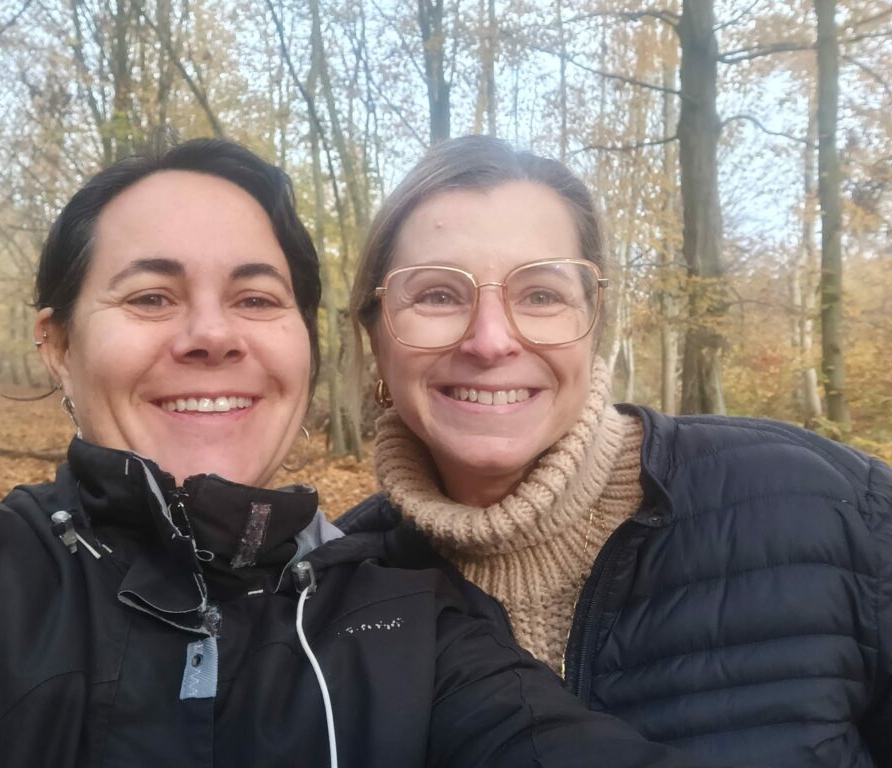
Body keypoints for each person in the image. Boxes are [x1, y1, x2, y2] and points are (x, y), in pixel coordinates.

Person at [0, 138, 727, 768]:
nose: (212, 334)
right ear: (57, 345)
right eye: (152, 296)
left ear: (305, 349)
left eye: (256, 298)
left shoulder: (407, 620)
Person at [343, 134, 892, 768]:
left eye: (540, 295)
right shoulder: (329, 598)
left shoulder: (827, 508)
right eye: (438, 295)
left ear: (593, 324)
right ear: (375, 337)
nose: (490, 341)